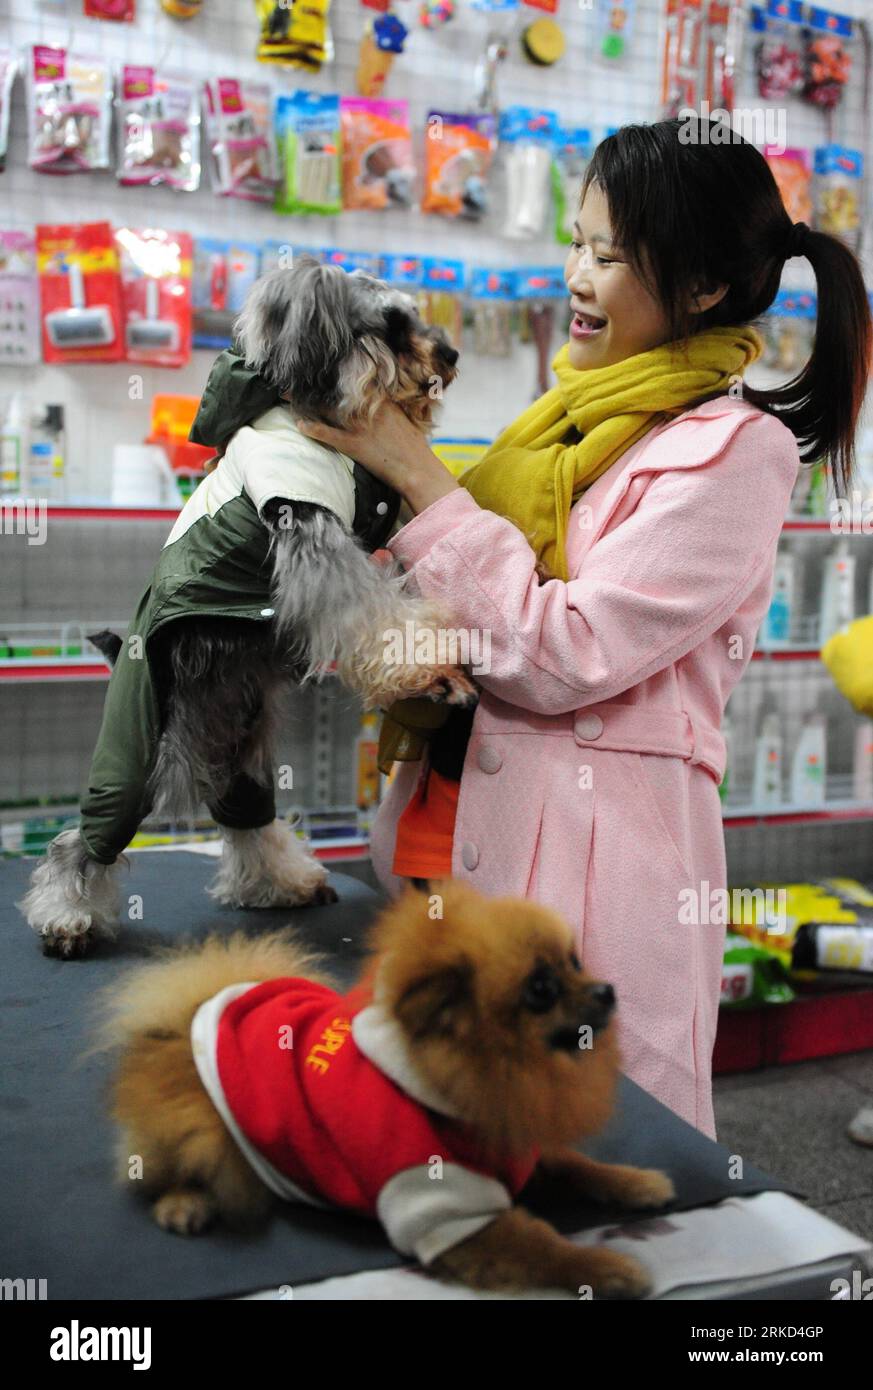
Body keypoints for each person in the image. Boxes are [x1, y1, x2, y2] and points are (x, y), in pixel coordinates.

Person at [298, 119, 872, 1138]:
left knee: (593, 1174)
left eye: (608, 254)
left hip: (590, 892)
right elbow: (456, 595)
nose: (577, 273)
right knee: (437, 1171)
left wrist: (416, 473)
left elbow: (562, 652)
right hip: (448, 852)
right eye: (576, 241)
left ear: (699, 286)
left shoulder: (735, 453)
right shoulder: (562, 424)